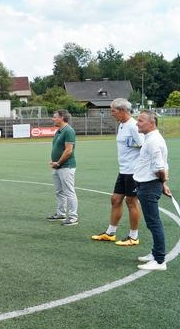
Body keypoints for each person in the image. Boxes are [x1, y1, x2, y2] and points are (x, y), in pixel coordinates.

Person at [91, 98, 144, 245]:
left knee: (131, 202)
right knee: (115, 200)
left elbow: (144, 146)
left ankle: (133, 237)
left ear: (122, 110)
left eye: (113, 111)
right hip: (124, 170)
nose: (111, 114)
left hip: (133, 171)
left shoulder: (133, 126)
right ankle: (110, 233)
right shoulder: (121, 125)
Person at [133, 111, 171, 271]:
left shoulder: (153, 141)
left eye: (140, 120)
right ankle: (156, 253)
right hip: (148, 185)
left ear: (151, 123)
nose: (137, 123)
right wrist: (163, 184)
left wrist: (162, 182)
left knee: (153, 223)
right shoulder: (151, 139)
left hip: (149, 186)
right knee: (152, 222)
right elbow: (162, 165)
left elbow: (159, 167)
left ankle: (160, 260)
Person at [47, 109, 78, 226]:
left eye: (55, 117)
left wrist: (58, 163)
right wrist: (54, 162)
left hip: (66, 166)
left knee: (69, 192)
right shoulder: (59, 131)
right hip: (58, 166)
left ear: (61, 118)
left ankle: (73, 217)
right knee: (59, 191)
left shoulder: (68, 131)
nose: (53, 119)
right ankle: (61, 213)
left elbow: (69, 150)